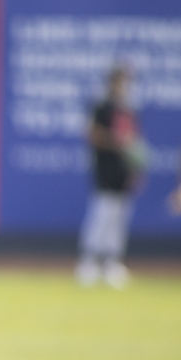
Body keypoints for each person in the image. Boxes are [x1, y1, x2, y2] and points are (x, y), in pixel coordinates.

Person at [75, 66, 147, 288]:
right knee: (103, 212)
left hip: (123, 169)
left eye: (126, 82)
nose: (123, 86)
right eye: (119, 82)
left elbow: (134, 143)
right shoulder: (102, 107)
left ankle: (112, 262)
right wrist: (116, 140)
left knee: (120, 216)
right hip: (106, 167)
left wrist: (136, 170)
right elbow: (93, 134)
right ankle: (89, 261)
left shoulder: (128, 110)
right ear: (111, 83)